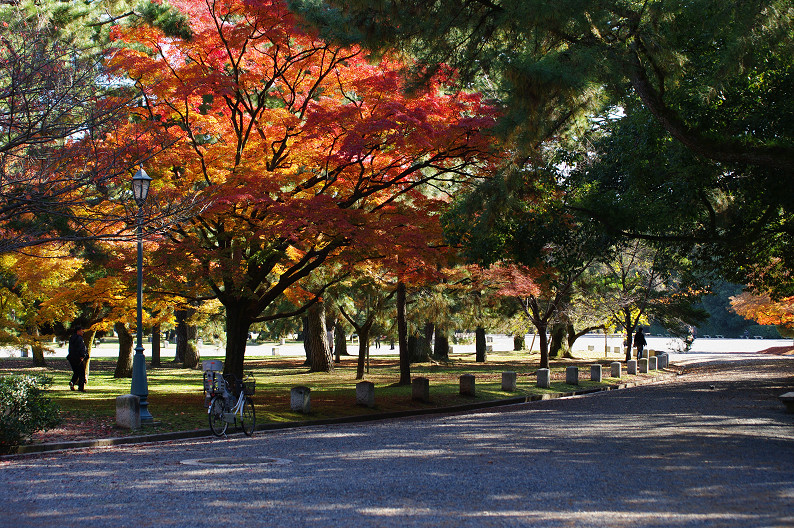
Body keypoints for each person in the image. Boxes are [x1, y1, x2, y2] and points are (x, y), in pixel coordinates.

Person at [67, 325, 89, 392]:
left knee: (76, 372)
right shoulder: (79, 338)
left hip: (71, 357)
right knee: (81, 373)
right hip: (78, 358)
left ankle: (72, 382)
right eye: (81, 331)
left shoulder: (71, 338)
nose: (83, 332)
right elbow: (81, 348)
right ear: (78, 331)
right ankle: (81, 388)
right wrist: (82, 356)